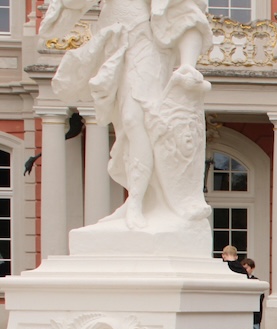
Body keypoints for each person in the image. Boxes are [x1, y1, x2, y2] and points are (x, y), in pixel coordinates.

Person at [43, 0, 211, 230]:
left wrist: (188, 64)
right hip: (115, 46)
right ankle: (137, 196)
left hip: (146, 44)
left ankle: (137, 202)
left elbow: (187, 12)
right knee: (124, 128)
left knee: (137, 119)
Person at [240, 258, 265, 329]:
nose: (245, 270)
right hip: (244, 315)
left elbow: (260, 298)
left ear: (252, 268)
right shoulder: (240, 281)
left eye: (247, 268)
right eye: (243, 268)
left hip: (254, 316)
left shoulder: (256, 282)